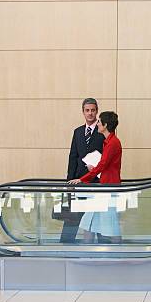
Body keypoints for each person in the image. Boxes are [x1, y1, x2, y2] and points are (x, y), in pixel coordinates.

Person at [69, 111, 122, 244]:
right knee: (89, 222)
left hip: (108, 189)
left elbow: (103, 165)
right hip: (103, 187)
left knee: (110, 225)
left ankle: (120, 252)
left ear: (105, 125)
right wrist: (95, 170)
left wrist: (82, 179)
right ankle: (89, 251)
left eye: (99, 122)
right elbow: (104, 165)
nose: (97, 124)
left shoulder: (113, 143)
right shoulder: (108, 142)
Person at [58, 98, 105, 243]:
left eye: (93, 110)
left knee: (96, 217)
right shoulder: (78, 132)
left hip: (96, 181)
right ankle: (65, 245)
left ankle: (103, 246)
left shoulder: (102, 130)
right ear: (83, 112)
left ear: (97, 111)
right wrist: (69, 182)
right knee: (73, 216)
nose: (90, 113)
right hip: (78, 181)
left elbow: (106, 157)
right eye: (87, 110)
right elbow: (73, 156)